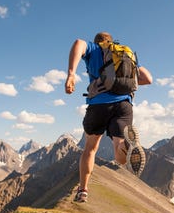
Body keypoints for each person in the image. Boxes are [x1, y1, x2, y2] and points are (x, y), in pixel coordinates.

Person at [65, 32, 153, 203]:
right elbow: (148, 79)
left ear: (98, 41)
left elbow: (78, 43)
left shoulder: (94, 49)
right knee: (121, 156)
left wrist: (71, 73)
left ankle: (83, 190)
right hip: (124, 106)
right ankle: (129, 144)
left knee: (90, 148)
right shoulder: (124, 54)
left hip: (99, 104)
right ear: (111, 42)